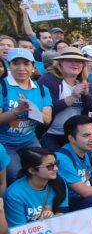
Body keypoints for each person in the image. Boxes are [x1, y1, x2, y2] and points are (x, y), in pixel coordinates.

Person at [0, 49, 52, 182]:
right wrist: (17, 111)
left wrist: (32, 111)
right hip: (5, 143)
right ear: (9, 66)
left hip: (30, 140)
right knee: (15, 174)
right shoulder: (2, 86)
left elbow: (47, 119)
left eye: (26, 63)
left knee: (44, 169)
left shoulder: (41, 89)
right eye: (16, 63)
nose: (21, 68)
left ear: (33, 67)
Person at [39, 47, 92, 151]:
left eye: (78, 61)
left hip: (76, 135)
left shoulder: (85, 82)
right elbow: (46, 110)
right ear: (61, 62)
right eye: (70, 60)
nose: (75, 64)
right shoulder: (48, 79)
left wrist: (86, 95)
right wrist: (72, 97)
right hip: (51, 133)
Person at [4, 147, 67, 227]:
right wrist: (41, 224)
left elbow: (62, 210)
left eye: (56, 163)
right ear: (32, 170)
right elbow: (19, 230)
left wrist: (55, 217)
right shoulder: (15, 195)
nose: (56, 168)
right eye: (50, 166)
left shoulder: (59, 182)